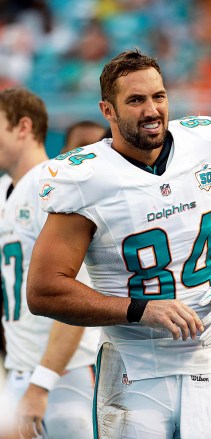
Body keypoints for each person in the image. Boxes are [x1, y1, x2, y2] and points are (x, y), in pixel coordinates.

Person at [27, 49, 211, 438]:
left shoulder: (205, 146)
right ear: (108, 110)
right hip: (136, 375)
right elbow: (42, 291)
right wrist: (140, 309)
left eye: (158, 96)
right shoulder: (86, 178)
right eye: (135, 100)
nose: (151, 110)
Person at [0, 87, 99, 439]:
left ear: (23, 126)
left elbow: (75, 293)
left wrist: (42, 383)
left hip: (61, 374)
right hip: (21, 368)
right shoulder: (5, 190)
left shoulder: (51, 185)